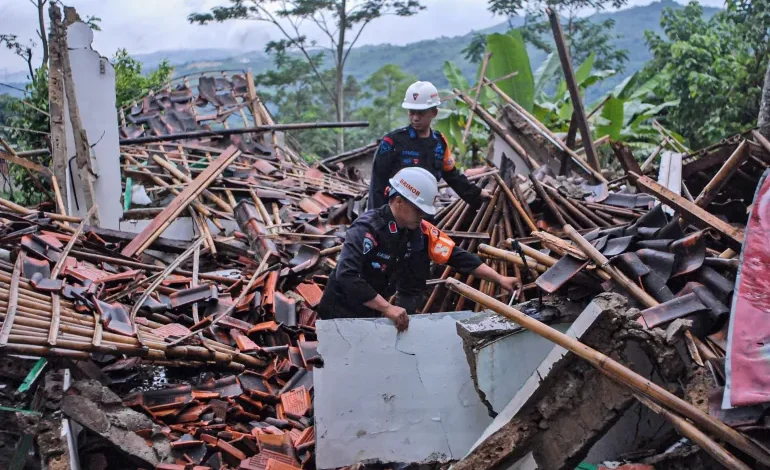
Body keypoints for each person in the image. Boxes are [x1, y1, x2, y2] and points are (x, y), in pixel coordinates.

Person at [318, 166, 518, 331]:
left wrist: (500, 279)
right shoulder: (367, 229)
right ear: (398, 201)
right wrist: (387, 308)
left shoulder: (419, 231)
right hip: (340, 311)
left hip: (372, 313)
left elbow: (457, 257)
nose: (423, 215)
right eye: (418, 209)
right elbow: (347, 275)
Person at [367, 80, 491, 212]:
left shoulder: (439, 143)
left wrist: (477, 193)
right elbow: (377, 186)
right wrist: (376, 220)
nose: (415, 118)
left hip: (424, 216)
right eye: (411, 112)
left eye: (420, 113)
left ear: (434, 113)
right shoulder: (391, 142)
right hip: (396, 216)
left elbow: (453, 176)